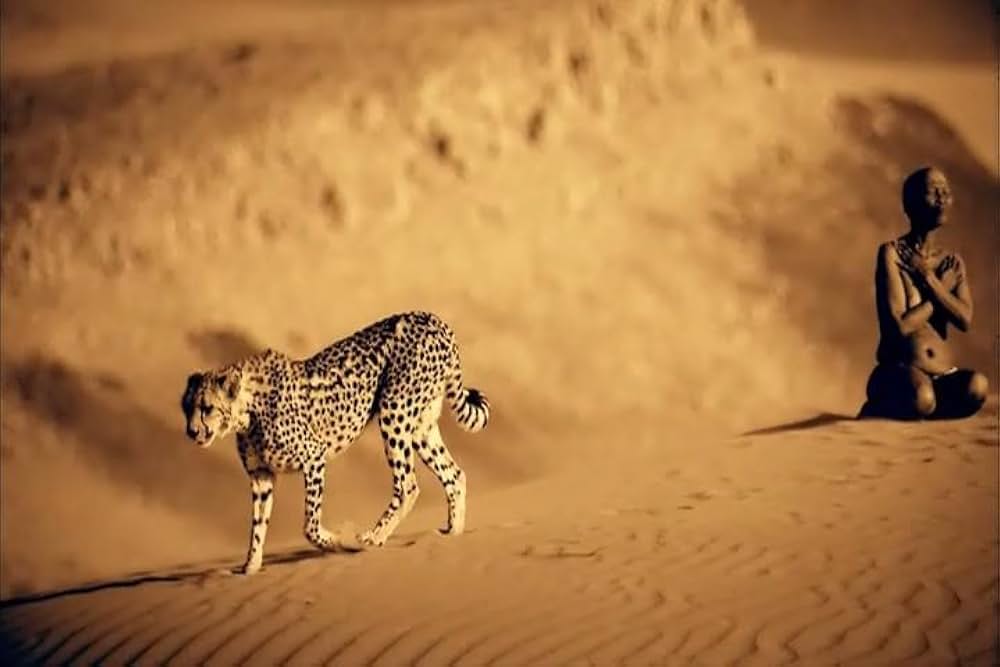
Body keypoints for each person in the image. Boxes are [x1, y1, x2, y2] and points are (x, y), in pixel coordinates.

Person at [859, 166, 989, 420]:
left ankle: (922, 408)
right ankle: (885, 408)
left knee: (977, 386)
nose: (941, 197)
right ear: (910, 204)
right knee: (922, 397)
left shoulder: (951, 263)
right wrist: (935, 285)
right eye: (933, 191)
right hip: (899, 370)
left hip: (941, 374)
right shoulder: (893, 254)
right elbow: (898, 328)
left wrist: (931, 281)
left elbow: (965, 319)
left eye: (946, 191)